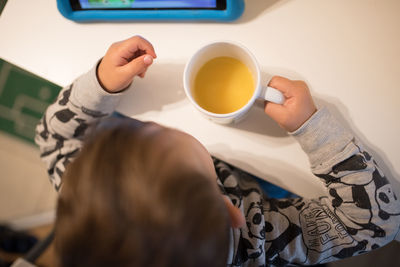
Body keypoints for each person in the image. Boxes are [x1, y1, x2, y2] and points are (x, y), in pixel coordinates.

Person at [35, 36, 400, 267]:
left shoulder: (86, 194)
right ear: (231, 211)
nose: (161, 127)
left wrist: (99, 82)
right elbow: (375, 222)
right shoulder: (259, 243)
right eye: (174, 140)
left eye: (148, 134)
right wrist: (314, 129)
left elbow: (54, 138)